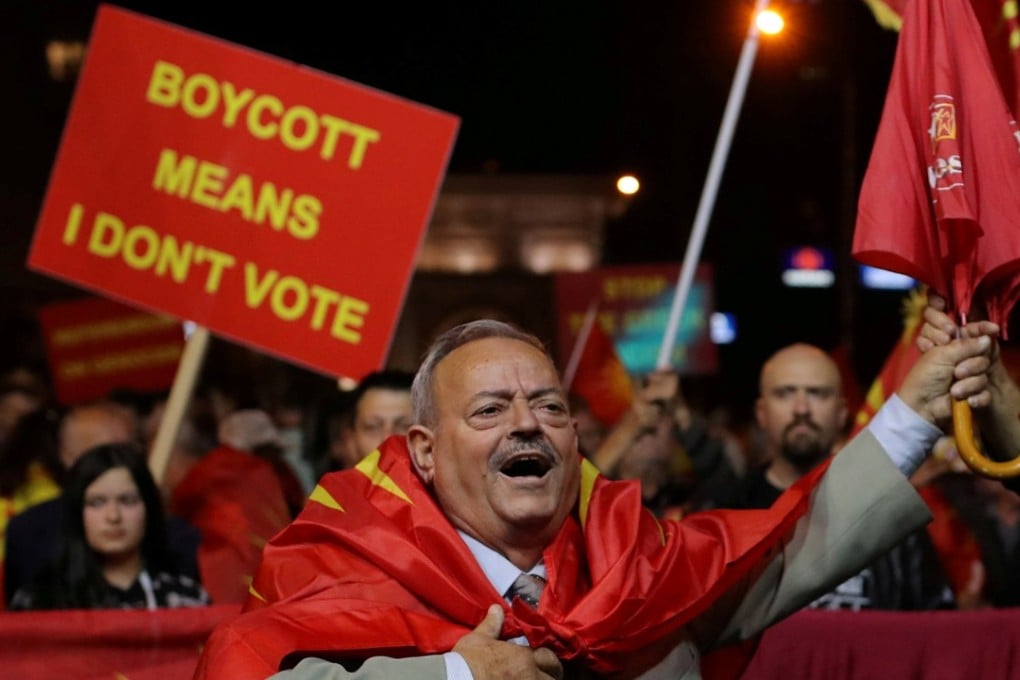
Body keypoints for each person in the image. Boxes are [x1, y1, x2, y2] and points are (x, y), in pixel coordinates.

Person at [195, 319, 996, 680]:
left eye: (548, 406)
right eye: (490, 411)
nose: (527, 427)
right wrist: (456, 675)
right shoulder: (351, 561)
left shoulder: (640, 569)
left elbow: (798, 542)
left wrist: (914, 415)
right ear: (427, 454)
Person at [706, 343, 955, 611]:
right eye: (785, 393)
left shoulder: (887, 516)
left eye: (817, 393)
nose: (801, 408)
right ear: (761, 413)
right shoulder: (722, 515)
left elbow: (933, 628)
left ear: (841, 413)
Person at [4, 400, 201, 604]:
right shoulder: (38, 599)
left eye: (127, 500)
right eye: (97, 502)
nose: (113, 515)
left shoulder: (185, 594)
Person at [167, 407, 293, 604]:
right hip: (274, 582)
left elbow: (176, 504)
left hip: (229, 583)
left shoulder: (210, 471)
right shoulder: (276, 474)